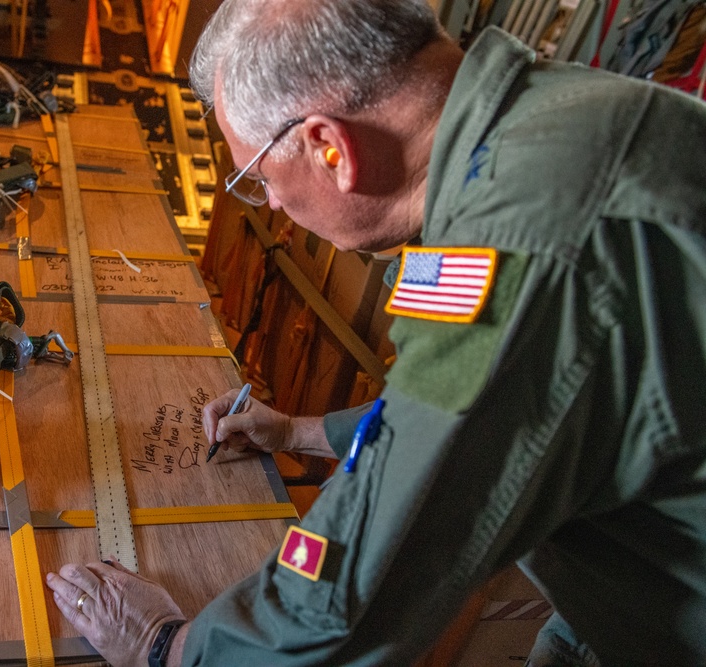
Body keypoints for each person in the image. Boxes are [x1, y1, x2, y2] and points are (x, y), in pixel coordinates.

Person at [45, 0, 706, 664]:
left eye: (261, 179)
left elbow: (353, 591)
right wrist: (302, 431)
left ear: (329, 146)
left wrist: (167, 645)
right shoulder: (537, 126)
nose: (271, 204)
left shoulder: (516, 246)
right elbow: (456, 403)